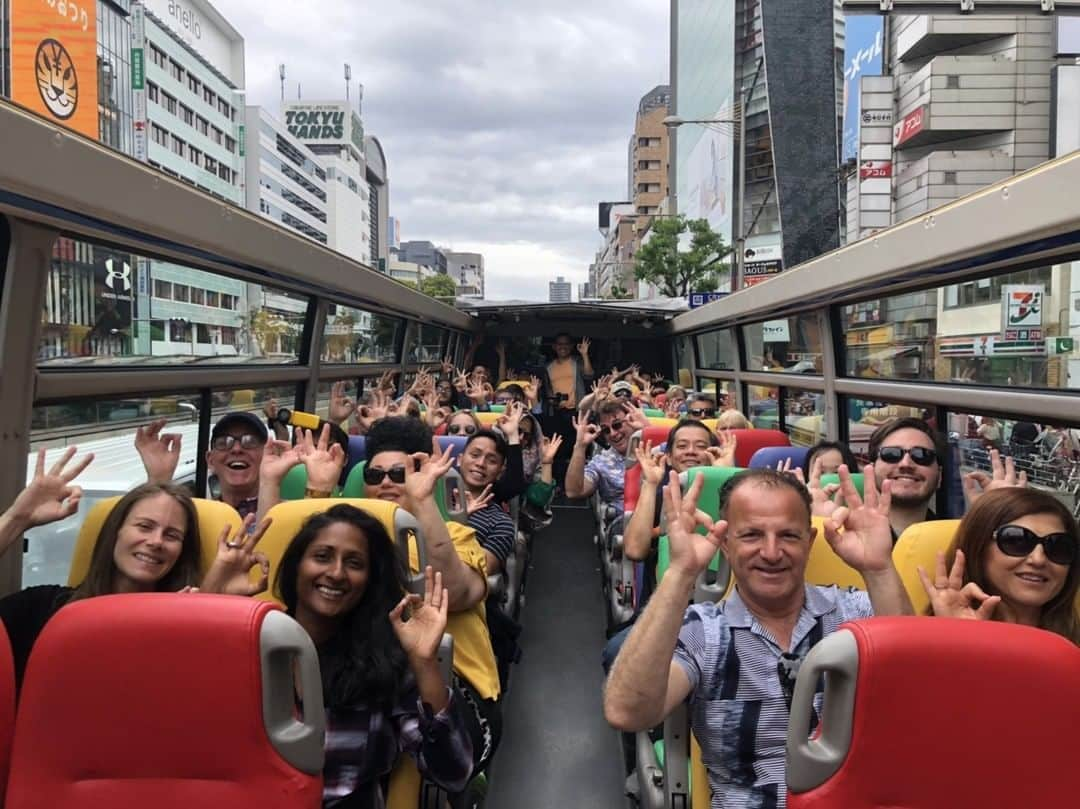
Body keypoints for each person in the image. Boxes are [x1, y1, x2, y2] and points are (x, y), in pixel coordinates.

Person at [603, 467, 913, 807]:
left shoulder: (854, 612)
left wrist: (879, 570)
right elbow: (627, 712)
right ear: (724, 543)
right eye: (751, 535)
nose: (771, 552)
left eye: (788, 536)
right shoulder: (704, 632)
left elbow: (915, 683)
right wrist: (680, 574)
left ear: (809, 543)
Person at [0, 451, 268, 688]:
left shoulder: (181, 627)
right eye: (144, 526)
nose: (155, 542)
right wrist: (15, 519)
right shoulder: (44, 608)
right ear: (116, 532)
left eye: (171, 535)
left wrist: (211, 601)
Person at [275, 504, 474, 807]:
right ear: (296, 566)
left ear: (370, 580)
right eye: (322, 557)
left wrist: (423, 662)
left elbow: (452, 773)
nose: (337, 573)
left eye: (354, 563)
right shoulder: (253, 645)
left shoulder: (385, 661)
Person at [360, 417, 502, 775]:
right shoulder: (348, 544)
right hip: (367, 674)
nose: (387, 483)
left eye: (399, 473)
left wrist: (423, 501)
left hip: (450, 683)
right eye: (376, 476)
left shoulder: (455, 536)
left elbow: (453, 591)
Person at [920, 488, 1079, 644]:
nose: (1038, 559)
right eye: (1016, 541)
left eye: (1058, 546)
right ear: (978, 546)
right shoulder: (920, 641)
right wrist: (955, 639)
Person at [137, 411, 267, 519]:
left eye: (250, 441)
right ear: (210, 461)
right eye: (223, 442)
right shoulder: (195, 518)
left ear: (267, 456)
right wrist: (159, 478)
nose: (236, 449)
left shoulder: (284, 514)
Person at [868, 417, 947, 540]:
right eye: (891, 454)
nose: (906, 464)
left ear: (940, 476)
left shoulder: (957, 543)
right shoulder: (841, 538)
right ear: (871, 471)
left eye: (922, 455)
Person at [565, 401, 648, 513]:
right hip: (623, 522)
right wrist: (580, 446)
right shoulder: (601, 462)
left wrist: (648, 429)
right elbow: (574, 492)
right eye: (606, 430)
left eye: (617, 425)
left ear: (632, 421)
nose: (613, 433)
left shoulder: (654, 448)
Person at [544, 333, 594, 483]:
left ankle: (576, 483)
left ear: (571, 347)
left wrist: (585, 355)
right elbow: (547, 390)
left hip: (576, 413)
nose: (562, 347)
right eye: (559, 344)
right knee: (557, 450)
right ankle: (558, 483)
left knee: (576, 449)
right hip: (556, 413)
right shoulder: (548, 367)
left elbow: (589, 375)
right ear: (554, 347)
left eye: (566, 344)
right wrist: (551, 401)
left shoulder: (576, 362)